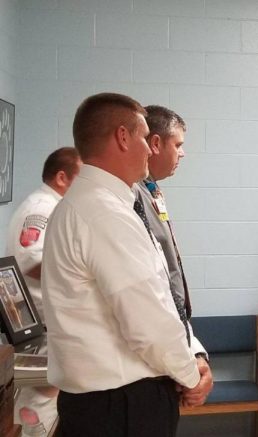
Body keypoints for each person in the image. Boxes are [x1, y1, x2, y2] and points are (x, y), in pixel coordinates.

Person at [42, 93, 211, 437]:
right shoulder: (103, 212)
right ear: (122, 137)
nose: (151, 149)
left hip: (108, 403)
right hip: (120, 406)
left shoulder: (98, 203)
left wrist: (191, 352)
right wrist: (190, 375)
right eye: (143, 137)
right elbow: (146, 320)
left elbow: (164, 290)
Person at [133, 105, 212, 405]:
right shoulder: (130, 196)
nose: (183, 153)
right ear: (155, 144)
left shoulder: (152, 191)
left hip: (172, 345)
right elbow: (152, 286)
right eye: (178, 145)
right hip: (148, 363)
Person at [4, 147, 80, 435]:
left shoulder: (52, 206)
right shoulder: (41, 209)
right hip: (41, 324)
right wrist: (81, 275)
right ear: (62, 177)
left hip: (48, 322)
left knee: (46, 410)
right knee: (36, 411)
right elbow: (31, 260)